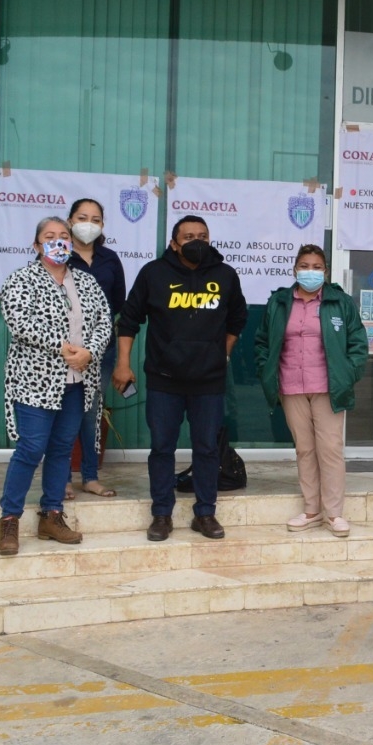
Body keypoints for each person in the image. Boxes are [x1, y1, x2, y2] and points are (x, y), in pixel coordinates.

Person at [114, 215, 247, 542]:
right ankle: (162, 513)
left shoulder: (225, 275)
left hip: (209, 382)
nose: (196, 241)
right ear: (174, 243)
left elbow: (237, 320)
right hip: (164, 379)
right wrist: (122, 363)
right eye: (188, 236)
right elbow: (129, 321)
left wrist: (221, 353)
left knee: (206, 449)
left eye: (202, 235)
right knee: (162, 448)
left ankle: (205, 513)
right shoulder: (153, 273)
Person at [0, 217, 112, 556]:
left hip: (77, 380)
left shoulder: (87, 283)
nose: (58, 241)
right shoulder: (21, 279)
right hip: (35, 380)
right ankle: (9, 520)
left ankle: (52, 515)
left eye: (64, 236)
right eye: (50, 236)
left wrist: (88, 352)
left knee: (62, 449)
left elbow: (104, 321)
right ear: (36, 245)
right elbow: (18, 321)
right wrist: (62, 348)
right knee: (32, 448)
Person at [256, 244, 367, 538]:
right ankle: (311, 511)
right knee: (305, 450)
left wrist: (348, 373)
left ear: (325, 271)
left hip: (329, 388)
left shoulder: (339, 302)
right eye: (305, 266)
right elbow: (263, 341)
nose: (310, 271)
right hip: (290, 386)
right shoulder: (280, 302)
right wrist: (264, 367)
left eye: (317, 267)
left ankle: (334, 514)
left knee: (329, 450)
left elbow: (358, 342)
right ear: (295, 269)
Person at [65, 198, 126, 499]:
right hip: (63, 351)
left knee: (90, 412)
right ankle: (61, 478)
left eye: (96, 219)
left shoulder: (110, 259)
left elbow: (117, 307)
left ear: (102, 225)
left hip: (100, 350)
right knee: (61, 411)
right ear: (70, 221)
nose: (88, 223)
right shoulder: (58, 257)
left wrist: (100, 347)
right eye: (82, 217)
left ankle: (89, 475)